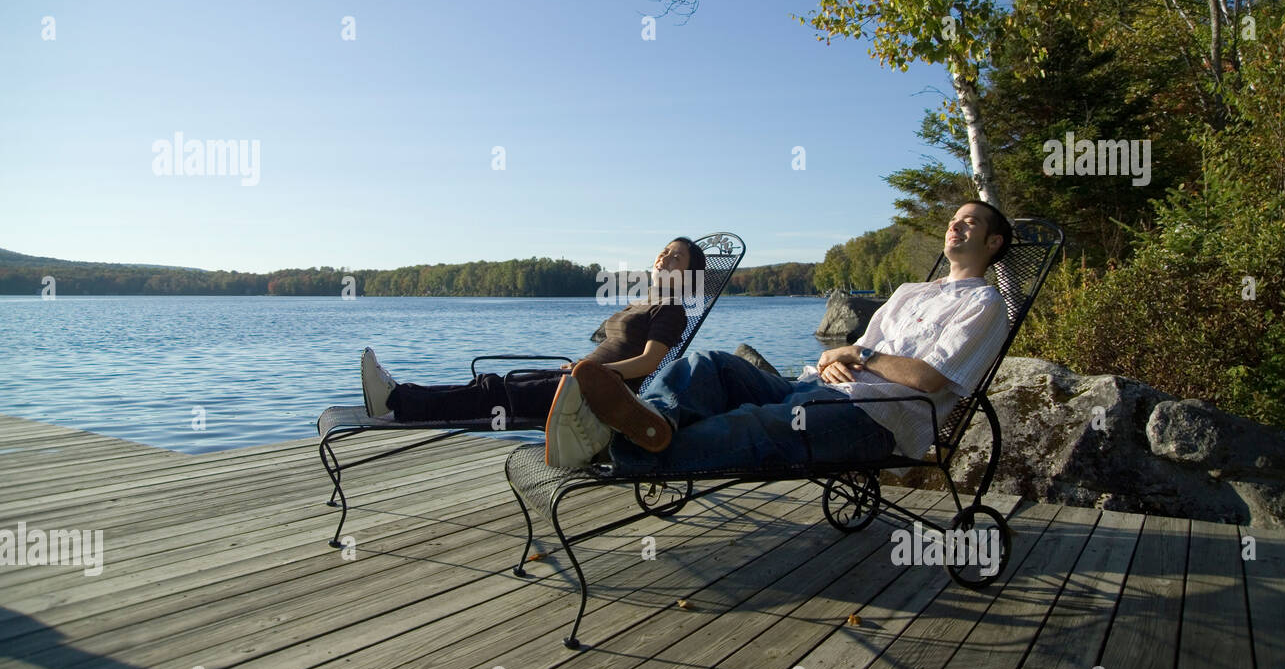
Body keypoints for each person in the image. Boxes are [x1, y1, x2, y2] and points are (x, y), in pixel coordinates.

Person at [545, 201, 1013, 471]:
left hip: (874, 418)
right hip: (819, 385)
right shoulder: (910, 292)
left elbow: (930, 379)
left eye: (969, 222)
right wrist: (835, 359)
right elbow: (848, 355)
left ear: (992, 244)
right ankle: (648, 421)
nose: (954, 224)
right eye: (954, 219)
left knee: (757, 421)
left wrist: (858, 352)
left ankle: (620, 451)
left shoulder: (985, 305)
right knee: (711, 365)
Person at [359, 237, 707, 423]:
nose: (665, 258)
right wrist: (583, 367)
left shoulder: (671, 307)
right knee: (496, 384)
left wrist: (594, 371)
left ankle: (396, 401)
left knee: (497, 396)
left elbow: (649, 363)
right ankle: (400, 397)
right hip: (579, 378)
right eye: (665, 252)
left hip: (597, 394)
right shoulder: (644, 301)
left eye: (677, 258)